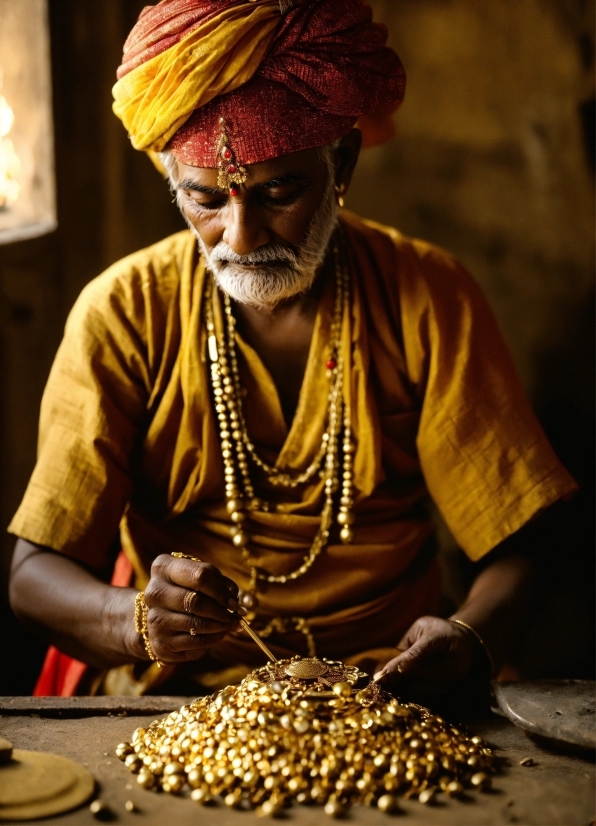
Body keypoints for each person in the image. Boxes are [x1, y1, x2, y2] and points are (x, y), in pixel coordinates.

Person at [8, 0, 576, 700]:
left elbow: (522, 544)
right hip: (173, 690)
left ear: (342, 161)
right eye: (205, 199)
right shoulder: (122, 313)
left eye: (279, 190)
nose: (241, 237)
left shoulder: (428, 296)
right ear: (171, 183)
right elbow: (32, 577)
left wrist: (467, 637)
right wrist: (134, 622)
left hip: (388, 684)